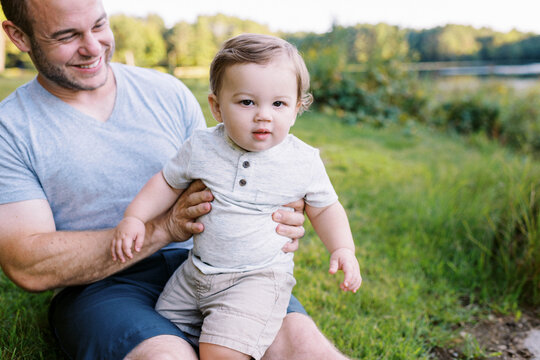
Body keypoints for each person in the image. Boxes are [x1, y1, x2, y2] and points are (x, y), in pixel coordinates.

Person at [0, 0, 353, 359]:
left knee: (306, 349)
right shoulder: (11, 130)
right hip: (104, 285)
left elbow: (228, 174)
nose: (92, 47)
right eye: (66, 35)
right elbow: (26, 263)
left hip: (221, 267)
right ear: (18, 36)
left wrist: (279, 210)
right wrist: (162, 228)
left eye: (98, 25)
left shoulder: (167, 93)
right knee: (168, 356)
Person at [112, 33, 362, 360]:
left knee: (221, 352)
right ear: (216, 107)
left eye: (278, 104)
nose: (263, 115)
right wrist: (134, 217)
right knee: (168, 331)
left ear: (297, 108)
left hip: (256, 279)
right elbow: (165, 182)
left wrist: (343, 248)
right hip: (196, 272)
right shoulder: (202, 146)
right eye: (247, 102)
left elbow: (326, 208)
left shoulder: (302, 161)